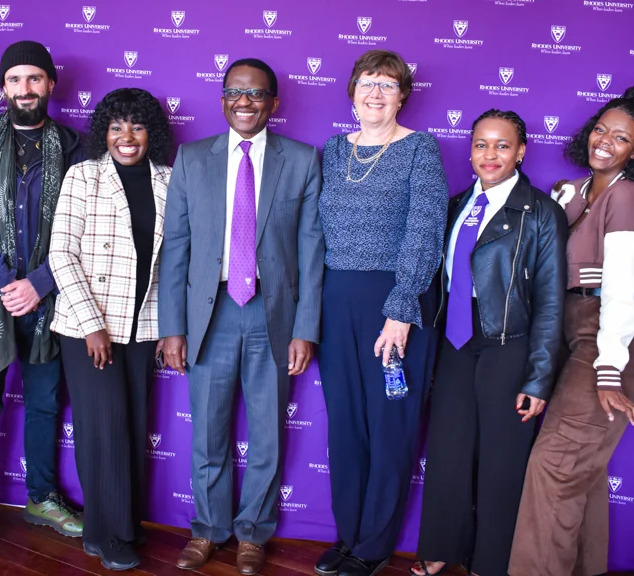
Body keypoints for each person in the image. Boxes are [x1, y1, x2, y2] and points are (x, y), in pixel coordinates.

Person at [158, 57, 323, 575]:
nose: (244, 102)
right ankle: (209, 529)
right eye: (234, 92)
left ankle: (253, 532)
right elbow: (176, 247)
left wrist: (306, 328)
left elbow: (312, 249)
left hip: (274, 314)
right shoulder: (192, 158)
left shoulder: (301, 160)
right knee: (207, 432)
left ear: (274, 102)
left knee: (268, 434)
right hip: (211, 314)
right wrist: (173, 327)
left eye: (255, 94)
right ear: (222, 99)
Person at [508, 86, 634, 576]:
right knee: (582, 473)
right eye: (602, 129)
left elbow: (621, 291)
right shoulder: (571, 193)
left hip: (608, 334)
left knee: (555, 466)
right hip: (568, 330)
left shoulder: (629, 198)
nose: (606, 141)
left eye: (622, 138)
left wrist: (611, 370)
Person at [0, 40, 86, 564]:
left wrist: (41, 283)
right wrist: (9, 283)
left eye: (34, 78)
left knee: (46, 405)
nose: (24, 89)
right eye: (14, 80)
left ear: (50, 83)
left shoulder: (76, 147)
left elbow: (85, 229)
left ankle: (42, 498)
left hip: (52, 304)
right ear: (3, 87)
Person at [412, 110, 567, 576]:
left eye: (502, 145)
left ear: (521, 151)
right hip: (457, 340)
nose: (490, 155)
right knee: (448, 448)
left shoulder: (541, 212)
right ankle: (442, 545)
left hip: (509, 342)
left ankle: (493, 559)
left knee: (502, 458)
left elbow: (551, 300)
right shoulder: (456, 203)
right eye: (481, 144)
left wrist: (539, 378)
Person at [314, 49, 447, 576]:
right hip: (335, 299)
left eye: (387, 85)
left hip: (395, 302)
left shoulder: (420, 149)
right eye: (367, 83)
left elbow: (425, 229)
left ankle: (373, 545)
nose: (375, 93)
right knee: (345, 424)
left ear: (402, 94)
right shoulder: (331, 150)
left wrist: (402, 306)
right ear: (351, 91)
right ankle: (347, 535)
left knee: (389, 424)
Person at [49, 88, 173, 571]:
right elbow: (62, 254)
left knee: (133, 425)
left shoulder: (168, 179)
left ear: (151, 133)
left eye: (137, 127)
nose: (127, 137)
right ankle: (105, 534)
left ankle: (124, 523)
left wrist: (169, 327)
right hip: (88, 328)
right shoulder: (83, 176)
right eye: (117, 126)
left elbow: (173, 261)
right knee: (103, 428)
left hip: (143, 325)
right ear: (104, 132)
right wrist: (91, 326)